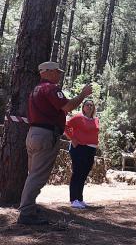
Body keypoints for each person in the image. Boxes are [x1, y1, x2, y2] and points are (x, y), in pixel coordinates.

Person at [17, 61, 92, 225]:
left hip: (33, 134)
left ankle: (28, 207)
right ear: (48, 72)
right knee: (37, 176)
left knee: (33, 174)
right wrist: (83, 94)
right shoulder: (51, 88)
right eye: (57, 72)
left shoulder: (35, 90)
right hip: (45, 135)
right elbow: (67, 106)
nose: (59, 74)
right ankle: (27, 213)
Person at [64, 99, 99, 209]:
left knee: (84, 174)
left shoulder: (96, 120)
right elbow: (66, 126)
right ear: (83, 107)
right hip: (79, 148)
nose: (89, 106)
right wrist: (72, 138)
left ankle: (80, 199)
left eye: (91, 105)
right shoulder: (78, 117)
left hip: (91, 149)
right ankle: (73, 199)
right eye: (87, 105)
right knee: (77, 173)